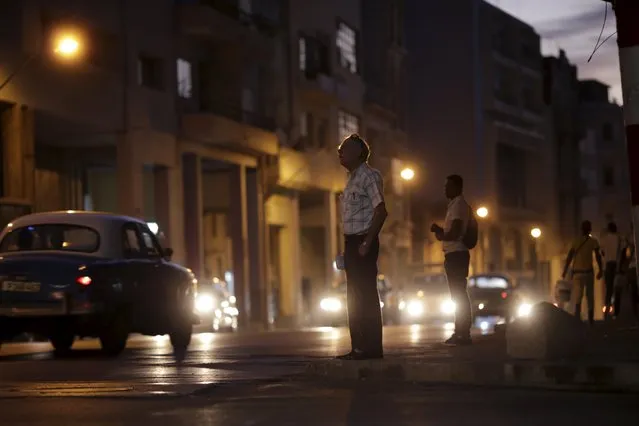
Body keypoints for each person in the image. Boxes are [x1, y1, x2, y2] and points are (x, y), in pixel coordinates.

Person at [336, 134, 388, 360]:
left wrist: (367, 243)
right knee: (353, 297)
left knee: (365, 295)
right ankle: (358, 347)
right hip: (352, 242)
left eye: (344, 148)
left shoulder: (369, 176)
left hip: (363, 241)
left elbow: (381, 210)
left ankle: (372, 348)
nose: (340, 152)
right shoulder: (351, 179)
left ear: (358, 152)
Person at [430, 174, 472, 345]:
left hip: (456, 254)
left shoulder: (458, 206)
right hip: (455, 253)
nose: (444, 189)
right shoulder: (456, 205)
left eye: (448, 186)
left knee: (458, 295)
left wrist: (440, 233)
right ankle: (461, 331)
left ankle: (462, 332)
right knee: (458, 294)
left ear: (456, 187)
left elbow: (455, 232)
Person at [561, 220, 603, 325]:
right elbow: (598, 256)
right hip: (588, 272)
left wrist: (565, 270)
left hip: (577, 273)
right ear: (590, 229)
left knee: (578, 295)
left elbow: (570, 256)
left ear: (581, 229)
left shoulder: (576, 241)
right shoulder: (594, 241)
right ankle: (591, 319)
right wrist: (601, 270)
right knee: (590, 295)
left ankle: (577, 318)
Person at [600, 222, 624, 319]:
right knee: (617, 289)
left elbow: (602, 251)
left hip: (607, 265)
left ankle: (606, 311)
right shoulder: (618, 238)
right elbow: (622, 251)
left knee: (608, 289)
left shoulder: (605, 238)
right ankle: (616, 313)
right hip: (616, 264)